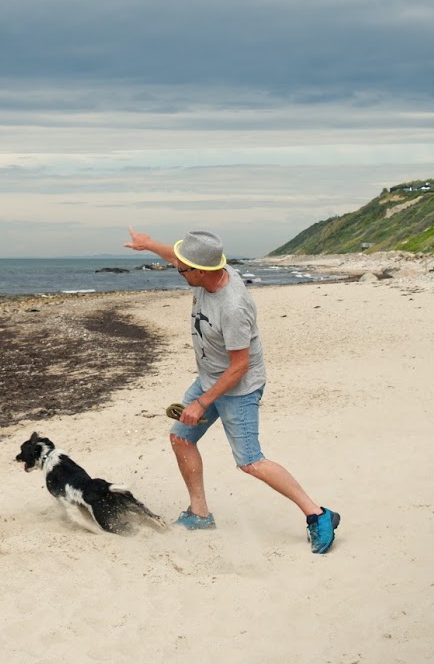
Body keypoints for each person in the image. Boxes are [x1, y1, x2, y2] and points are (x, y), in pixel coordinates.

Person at [124, 227, 340, 553]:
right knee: (181, 438)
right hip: (210, 379)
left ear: (201, 271)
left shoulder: (233, 306)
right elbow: (178, 258)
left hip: (239, 389)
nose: (178, 271)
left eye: (183, 269)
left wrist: (201, 403)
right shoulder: (205, 275)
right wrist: (150, 245)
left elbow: (240, 367)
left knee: (250, 461)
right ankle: (200, 514)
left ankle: (319, 514)